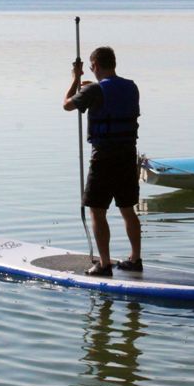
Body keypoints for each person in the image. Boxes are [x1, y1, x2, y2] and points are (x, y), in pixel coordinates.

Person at [63, 46, 142, 277]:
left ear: (95, 65)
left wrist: (75, 79)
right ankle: (135, 259)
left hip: (104, 158)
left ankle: (105, 264)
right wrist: (88, 88)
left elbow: (67, 104)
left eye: (91, 67)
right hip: (127, 155)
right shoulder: (131, 87)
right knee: (128, 209)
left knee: (97, 211)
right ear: (113, 63)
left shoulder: (94, 90)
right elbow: (110, 96)